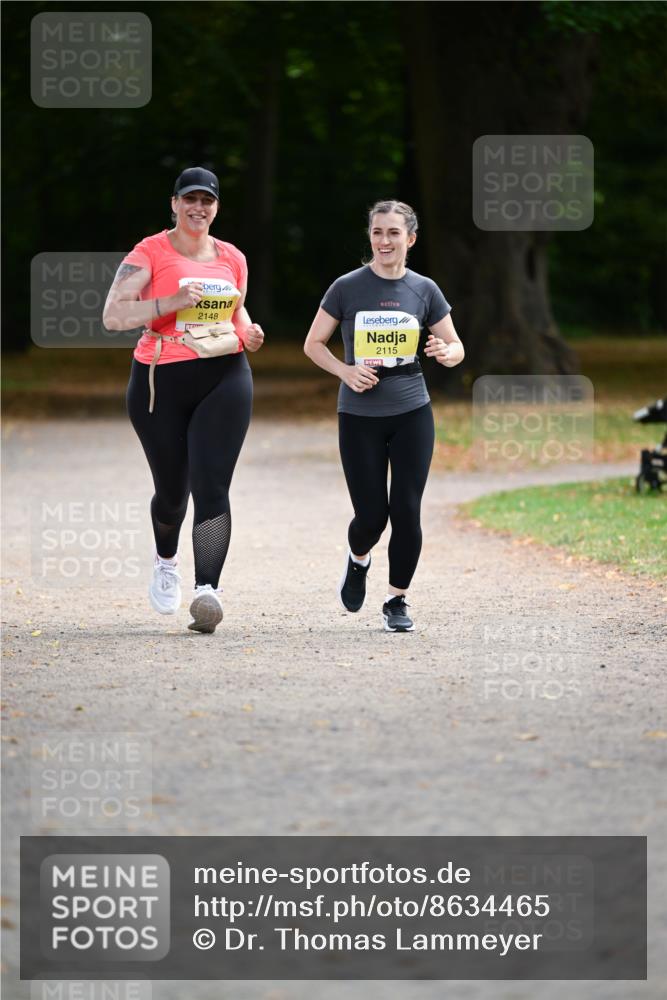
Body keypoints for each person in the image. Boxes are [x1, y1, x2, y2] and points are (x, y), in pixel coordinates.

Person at [103, 167, 265, 634]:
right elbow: (113, 315)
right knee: (173, 493)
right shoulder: (149, 252)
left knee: (212, 485)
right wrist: (169, 302)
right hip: (161, 379)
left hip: (226, 374)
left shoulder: (232, 257)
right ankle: (166, 560)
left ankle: (207, 591)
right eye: (189, 199)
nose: (198, 208)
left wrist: (249, 332)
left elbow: (237, 311)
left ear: (216, 207)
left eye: (207, 200)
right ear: (174, 204)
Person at [304, 200, 464, 632]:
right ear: (370, 236)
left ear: (411, 239)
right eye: (377, 232)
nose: (384, 240)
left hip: (412, 410)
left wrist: (446, 351)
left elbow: (456, 347)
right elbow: (313, 344)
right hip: (359, 414)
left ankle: (397, 599)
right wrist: (345, 371)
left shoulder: (424, 290)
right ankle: (358, 560)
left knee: (407, 509)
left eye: (394, 232)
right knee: (372, 517)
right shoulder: (347, 287)